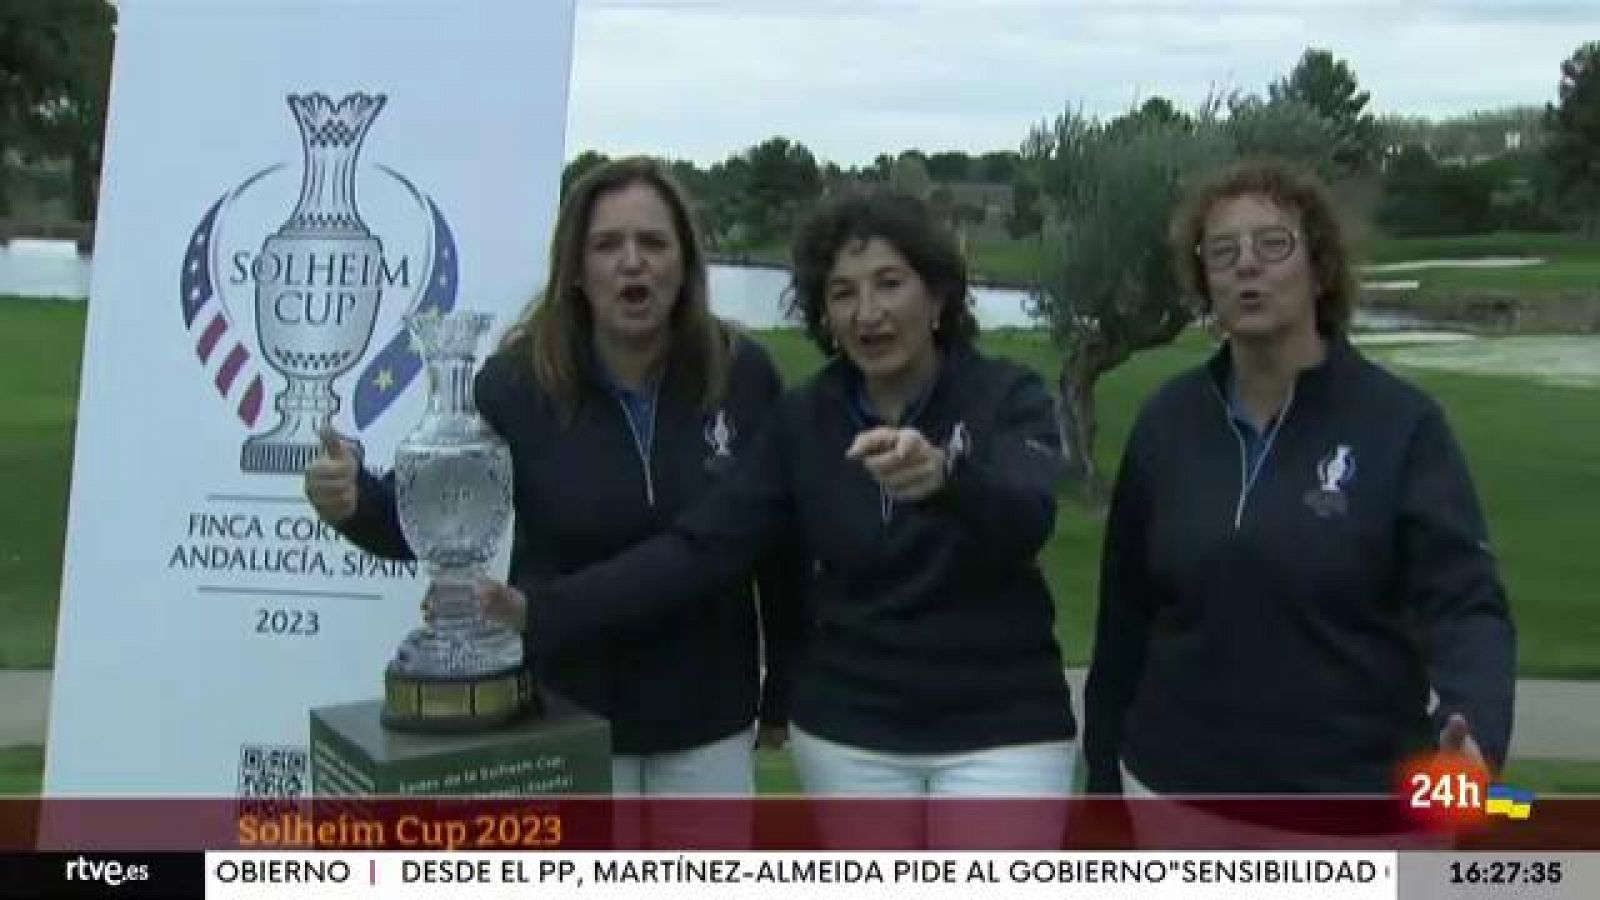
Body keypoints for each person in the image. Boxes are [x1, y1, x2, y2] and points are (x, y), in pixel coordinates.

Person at [474, 190, 1078, 849]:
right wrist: (545, 609)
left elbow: (1027, 516)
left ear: (937, 297)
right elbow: (704, 546)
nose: (868, 313)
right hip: (854, 734)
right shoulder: (804, 421)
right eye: (842, 293)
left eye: (889, 284)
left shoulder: (1008, 396)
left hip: (1002, 729)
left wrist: (945, 480)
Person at [304, 156, 801, 844]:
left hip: (706, 715)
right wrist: (353, 499)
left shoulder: (744, 375)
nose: (633, 263)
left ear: (685, 263)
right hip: (570, 711)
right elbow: (445, 515)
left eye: (654, 244)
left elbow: (778, 547)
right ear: (574, 268)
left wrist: (782, 691)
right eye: (607, 245)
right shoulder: (517, 382)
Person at [1082, 158, 1515, 839]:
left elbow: (1466, 605)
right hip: (1174, 798)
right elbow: (1124, 626)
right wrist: (1103, 789)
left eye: (1272, 244)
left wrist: (1477, 732)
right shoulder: (1168, 424)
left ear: (1318, 267)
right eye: (1223, 252)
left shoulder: (1402, 426)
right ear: (1205, 283)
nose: (1246, 265)